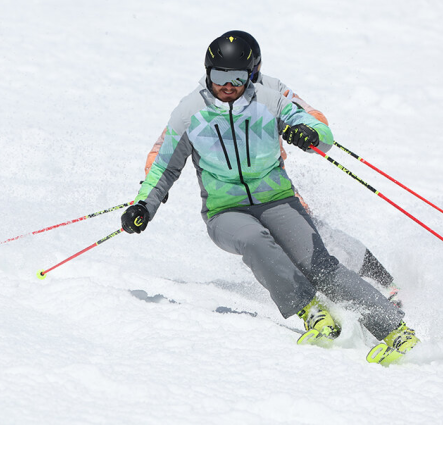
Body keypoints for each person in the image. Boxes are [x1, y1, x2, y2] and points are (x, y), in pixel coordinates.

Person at [122, 33, 419, 365]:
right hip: (225, 210)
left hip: (278, 201)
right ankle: (312, 311)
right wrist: (143, 205)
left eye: (238, 77)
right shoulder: (190, 112)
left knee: (319, 264)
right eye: (219, 76)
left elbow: (320, 131)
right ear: (207, 73)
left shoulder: (269, 100)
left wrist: (309, 133)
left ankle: (395, 330)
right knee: (254, 240)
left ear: (251, 74)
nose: (228, 86)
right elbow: (163, 166)